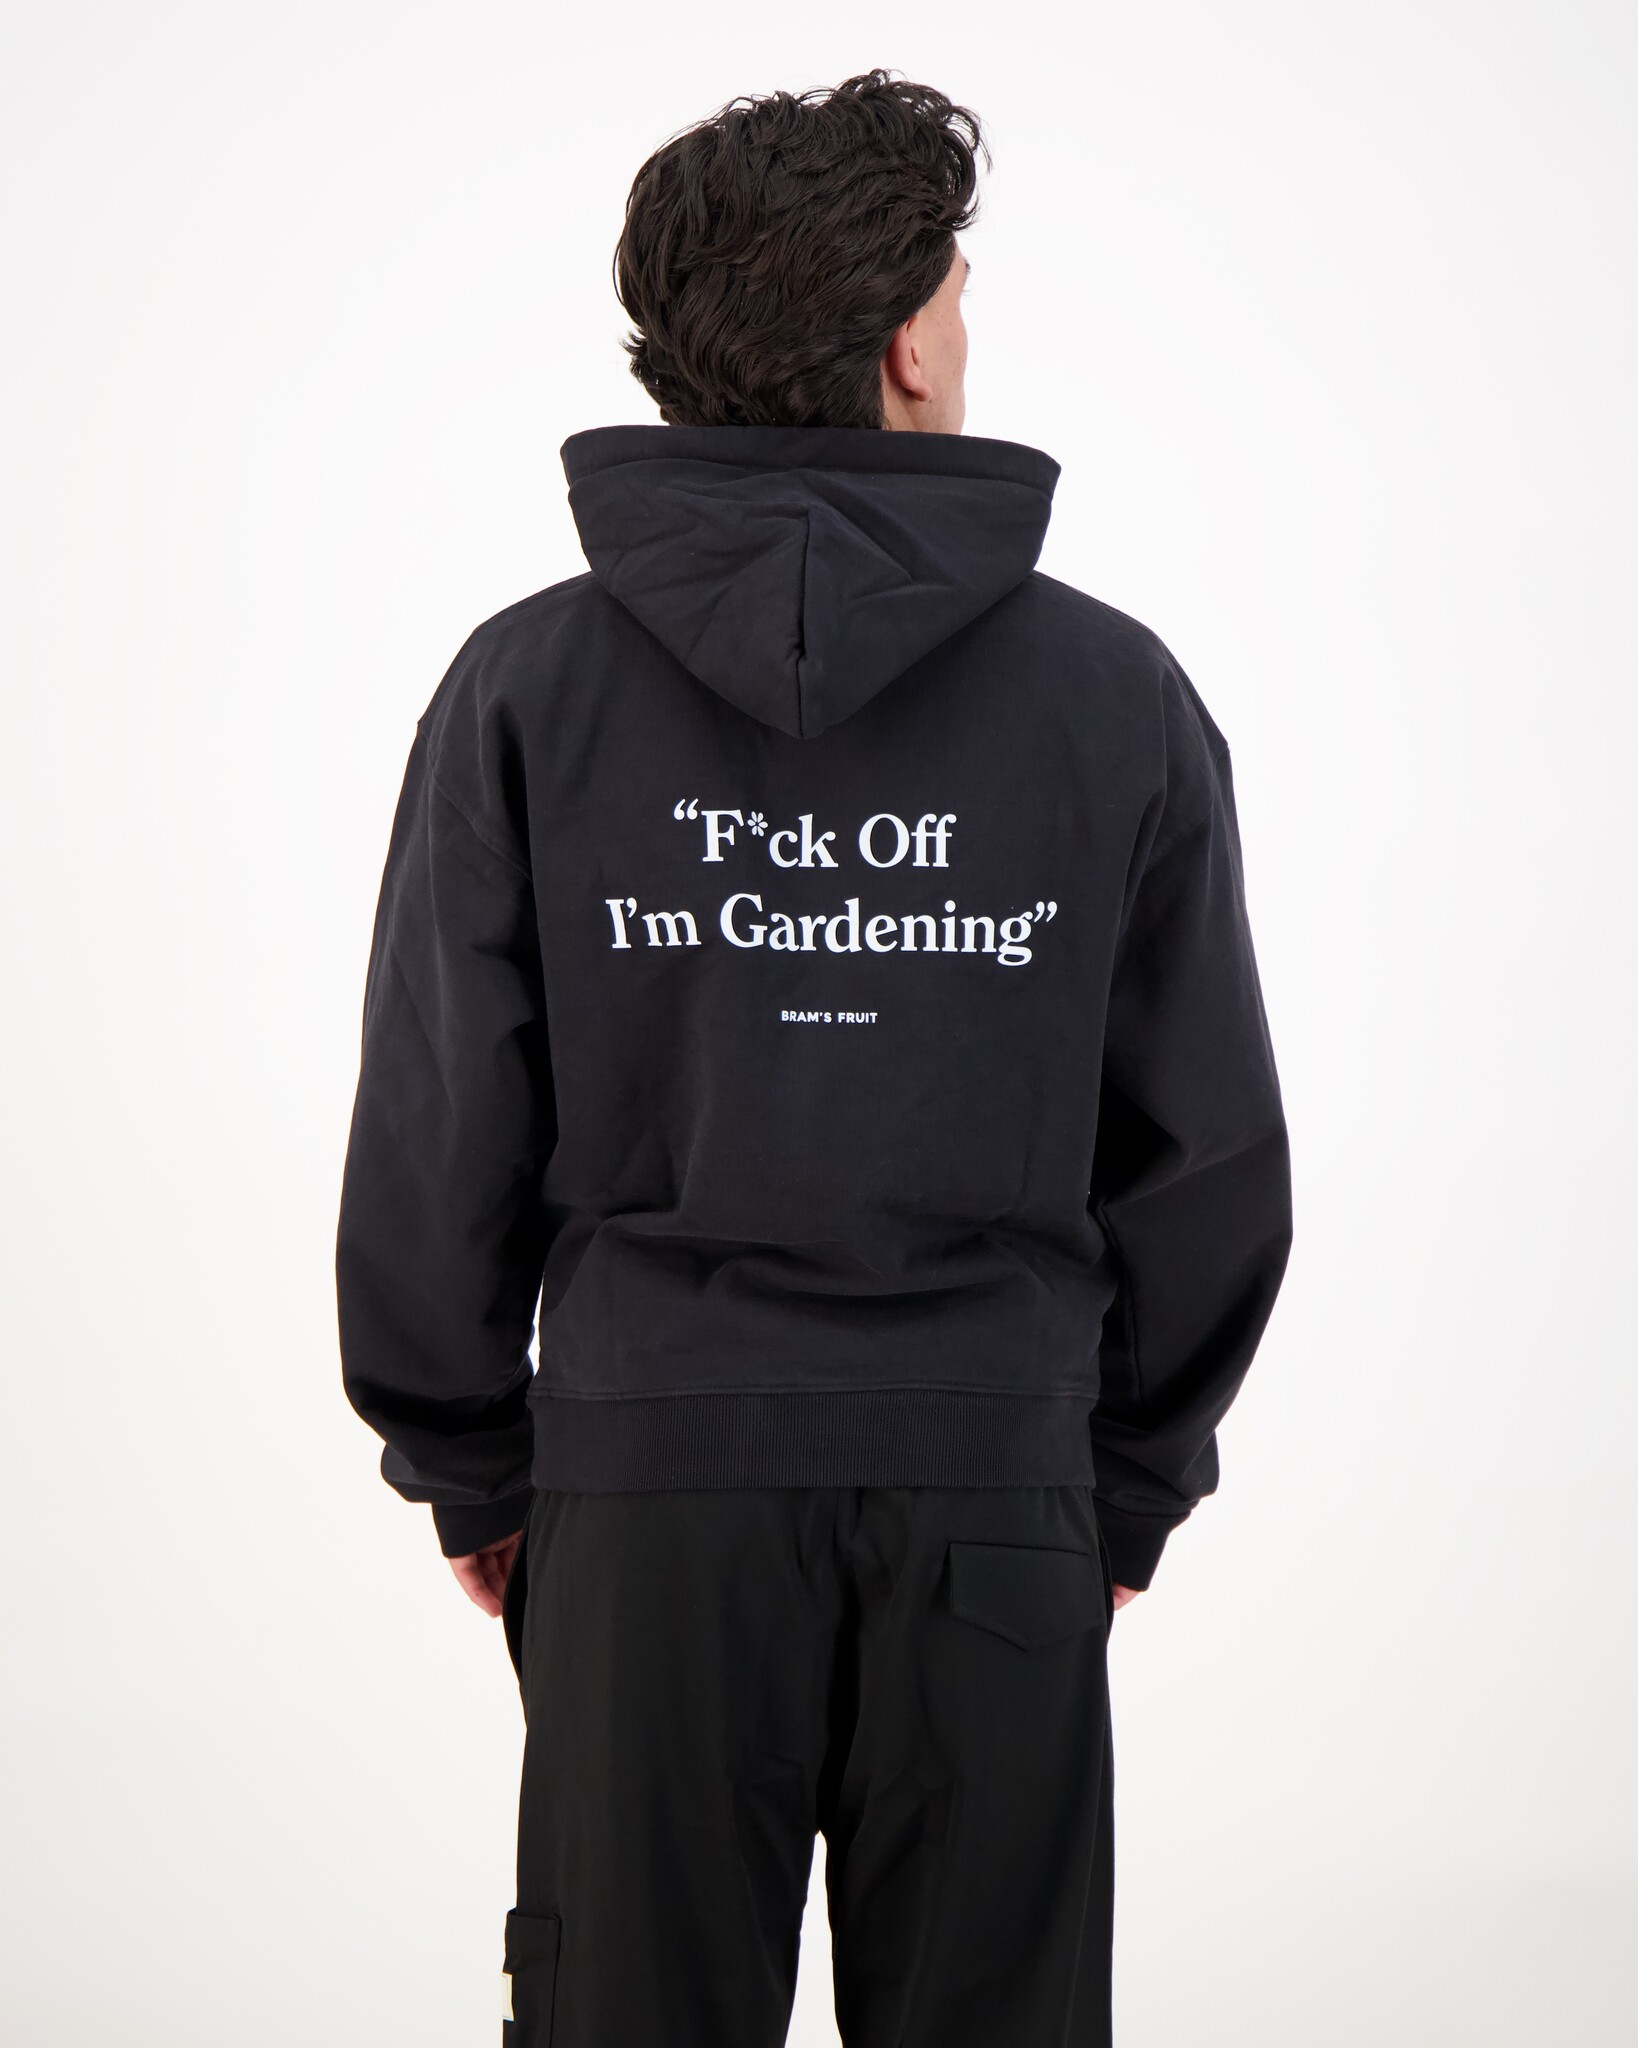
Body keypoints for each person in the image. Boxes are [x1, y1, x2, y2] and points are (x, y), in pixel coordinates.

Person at [336, 67, 1293, 2048]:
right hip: (993, 1498)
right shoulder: (1111, 694)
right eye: (958, 291)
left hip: (645, 1500)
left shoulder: (525, 687)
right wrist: (1119, 1477)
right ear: (908, 343)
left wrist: (476, 1461)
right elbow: (1203, 1146)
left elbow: (440, 1123)